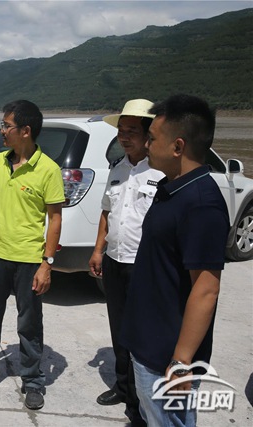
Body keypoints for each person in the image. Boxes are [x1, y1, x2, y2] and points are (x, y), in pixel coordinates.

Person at [120, 94, 229, 426]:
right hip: (148, 343)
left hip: (166, 356)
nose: (146, 145)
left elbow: (206, 289)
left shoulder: (201, 204)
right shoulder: (171, 189)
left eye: (152, 138)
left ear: (178, 146)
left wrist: (181, 361)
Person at [0, 100, 64, 410]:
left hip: (29, 259)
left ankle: (32, 381)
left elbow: (55, 219)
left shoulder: (48, 170)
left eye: (7, 126)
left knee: (29, 324)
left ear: (25, 131)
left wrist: (47, 264)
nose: (2, 130)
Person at [88, 99, 164, 426]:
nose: (124, 136)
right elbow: (107, 212)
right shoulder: (118, 168)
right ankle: (123, 387)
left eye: (132, 130)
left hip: (144, 265)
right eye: (121, 130)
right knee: (119, 329)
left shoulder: (161, 171)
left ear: (149, 134)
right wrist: (98, 250)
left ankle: (140, 402)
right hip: (114, 260)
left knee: (141, 334)